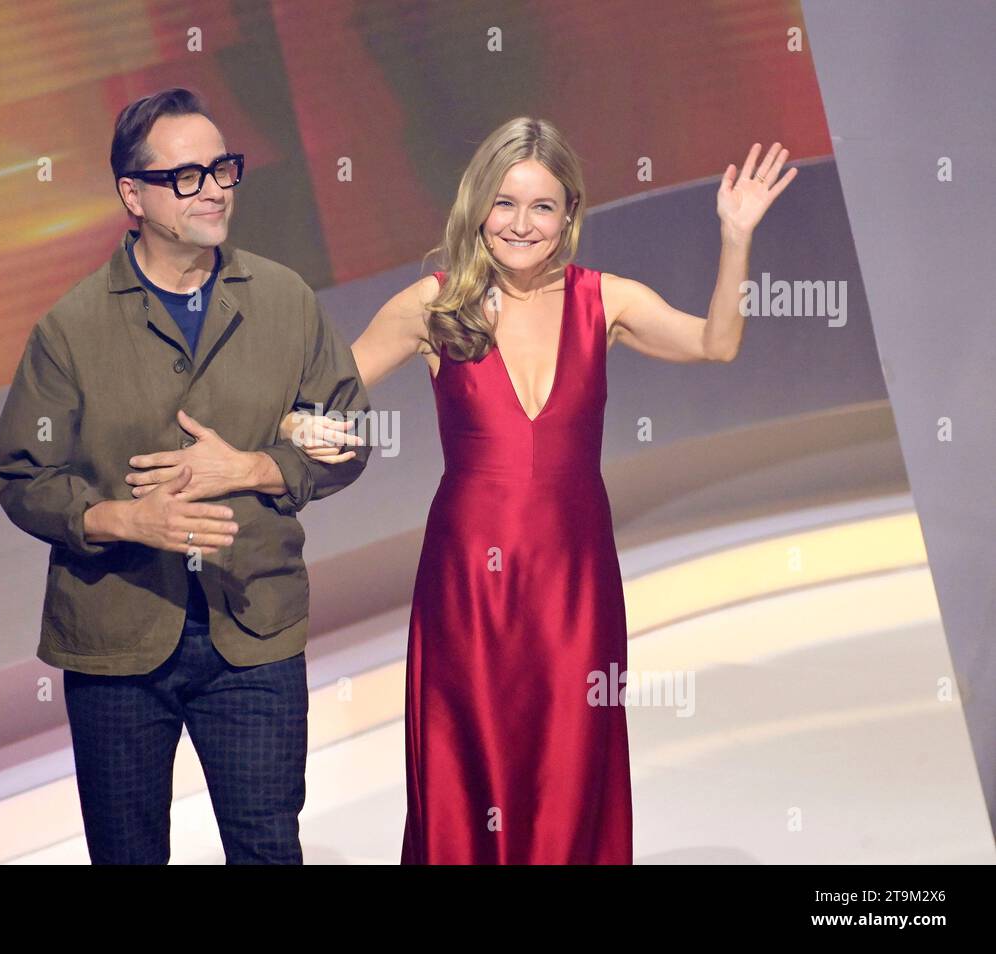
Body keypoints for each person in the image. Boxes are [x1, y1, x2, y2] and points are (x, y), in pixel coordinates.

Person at [286, 121, 794, 863]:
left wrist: (735, 236)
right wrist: (305, 428)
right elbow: (316, 398)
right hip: (468, 587)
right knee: (472, 765)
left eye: (543, 206)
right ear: (477, 210)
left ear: (570, 214)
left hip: (574, 584)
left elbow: (716, 343)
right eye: (504, 203)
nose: (522, 224)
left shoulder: (605, 300)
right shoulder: (432, 306)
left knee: (568, 764)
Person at [0, 87, 372, 864]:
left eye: (223, 169)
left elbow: (352, 436)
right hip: (118, 639)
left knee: (268, 847)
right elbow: (23, 473)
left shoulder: (283, 299)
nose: (216, 190)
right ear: (133, 194)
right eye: (187, 177)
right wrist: (125, 519)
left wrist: (258, 466)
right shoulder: (71, 327)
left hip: (254, 622)